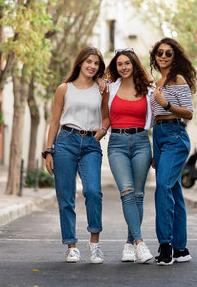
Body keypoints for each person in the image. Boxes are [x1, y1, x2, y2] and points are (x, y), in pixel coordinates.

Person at [43, 47, 110, 264]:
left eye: (96, 63)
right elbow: (54, 121)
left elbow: (106, 118)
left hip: (91, 143)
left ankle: (95, 244)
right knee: (66, 196)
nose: (92, 66)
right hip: (66, 141)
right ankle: (71, 246)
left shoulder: (102, 89)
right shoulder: (64, 89)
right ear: (80, 63)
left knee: (93, 192)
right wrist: (48, 150)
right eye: (88, 61)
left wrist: (101, 132)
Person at [149, 37, 197, 266]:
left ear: (174, 56)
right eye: (160, 52)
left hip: (175, 136)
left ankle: (165, 245)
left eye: (169, 53)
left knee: (163, 186)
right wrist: (152, 148)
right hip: (159, 137)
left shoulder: (178, 79)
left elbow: (188, 113)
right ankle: (181, 248)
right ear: (155, 55)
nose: (164, 56)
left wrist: (165, 103)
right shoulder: (157, 81)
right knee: (174, 191)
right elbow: (152, 118)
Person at [105, 48, 155, 263]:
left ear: (134, 64)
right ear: (115, 67)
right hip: (117, 144)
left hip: (142, 142)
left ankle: (128, 244)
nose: (123, 67)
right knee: (126, 191)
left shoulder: (149, 89)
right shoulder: (109, 87)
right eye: (119, 64)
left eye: (127, 63)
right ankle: (140, 243)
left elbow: (157, 120)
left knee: (138, 195)